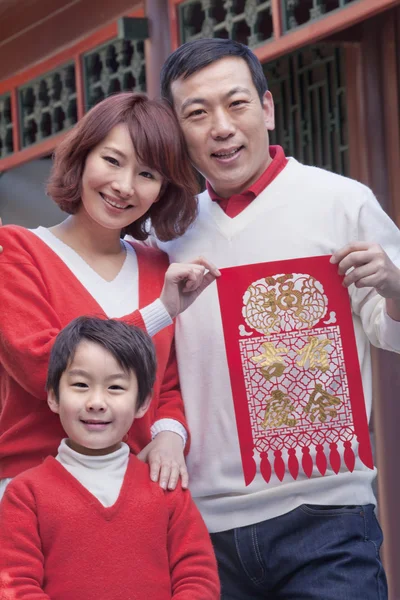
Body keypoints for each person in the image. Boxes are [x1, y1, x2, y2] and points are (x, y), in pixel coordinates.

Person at [137, 38, 400, 599]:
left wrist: (395, 284)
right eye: (197, 114)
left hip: (327, 517)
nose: (221, 127)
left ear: (267, 108)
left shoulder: (341, 201)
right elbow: (149, 363)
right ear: (178, 131)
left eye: (236, 104)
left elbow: (389, 329)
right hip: (202, 527)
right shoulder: (167, 232)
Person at [0, 92, 220, 500]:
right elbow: (41, 366)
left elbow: (167, 384)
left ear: (162, 190)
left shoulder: (158, 268)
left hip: (128, 497)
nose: (123, 186)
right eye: (112, 160)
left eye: (148, 174)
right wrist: (159, 313)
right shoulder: (16, 251)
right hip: (31, 493)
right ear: (83, 157)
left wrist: (170, 435)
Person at [0, 316, 220, 599]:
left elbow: (197, 576)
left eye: (115, 387)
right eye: (80, 385)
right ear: (54, 396)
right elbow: (15, 583)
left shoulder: (164, 486)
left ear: (142, 403)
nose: (96, 402)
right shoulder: (25, 493)